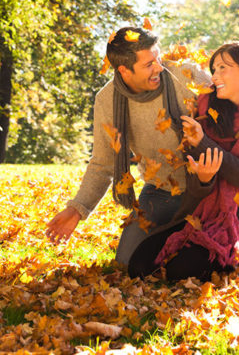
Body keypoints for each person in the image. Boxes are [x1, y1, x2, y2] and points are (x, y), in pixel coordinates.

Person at [45, 26, 211, 266]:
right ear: (124, 70)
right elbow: (103, 163)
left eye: (158, 57)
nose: (159, 67)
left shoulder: (185, 76)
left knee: (197, 262)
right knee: (127, 262)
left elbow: (230, 110)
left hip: (209, 188)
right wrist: (78, 208)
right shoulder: (107, 101)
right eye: (148, 64)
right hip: (161, 191)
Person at [128, 39, 239, 281]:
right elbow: (194, 182)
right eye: (214, 69)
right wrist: (202, 180)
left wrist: (203, 143)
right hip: (200, 218)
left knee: (180, 270)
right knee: (138, 265)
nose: (215, 75)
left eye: (224, 67)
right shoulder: (204, 110)